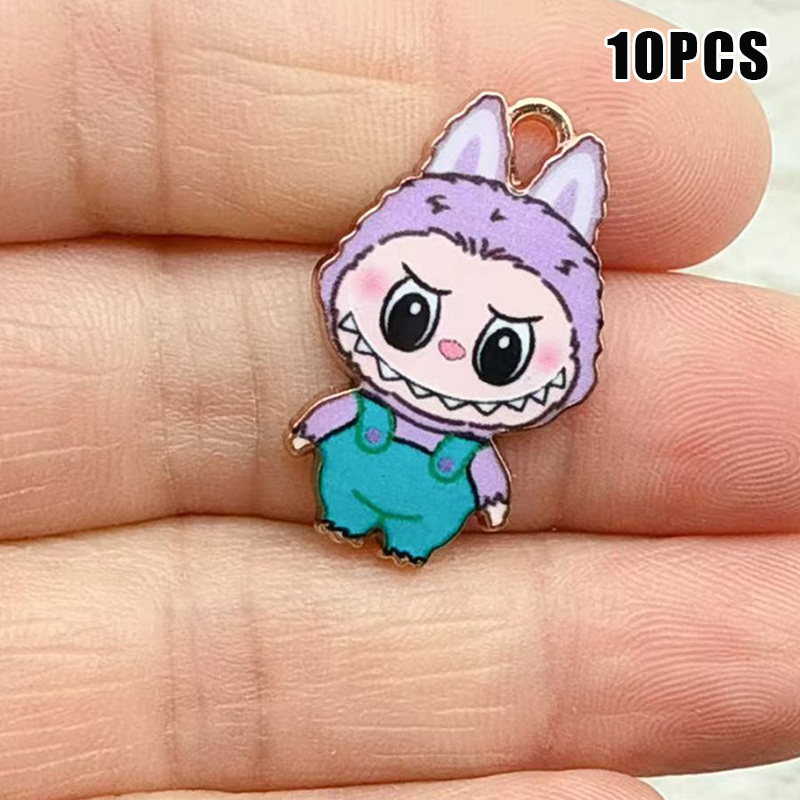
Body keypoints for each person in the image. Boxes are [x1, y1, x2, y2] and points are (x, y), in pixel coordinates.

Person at [0, 1, 789, 799]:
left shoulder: (477, 437)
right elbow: (337, 412)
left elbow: (484, 471)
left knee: (415, 519)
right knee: (350, 495)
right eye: (412, 314)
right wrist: (314, 428)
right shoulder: (369, 392)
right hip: (357, 467)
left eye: (500, 350)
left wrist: (490, 495)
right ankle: (347, 520)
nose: (447, 351)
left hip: (434, 498)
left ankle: (406, 540)